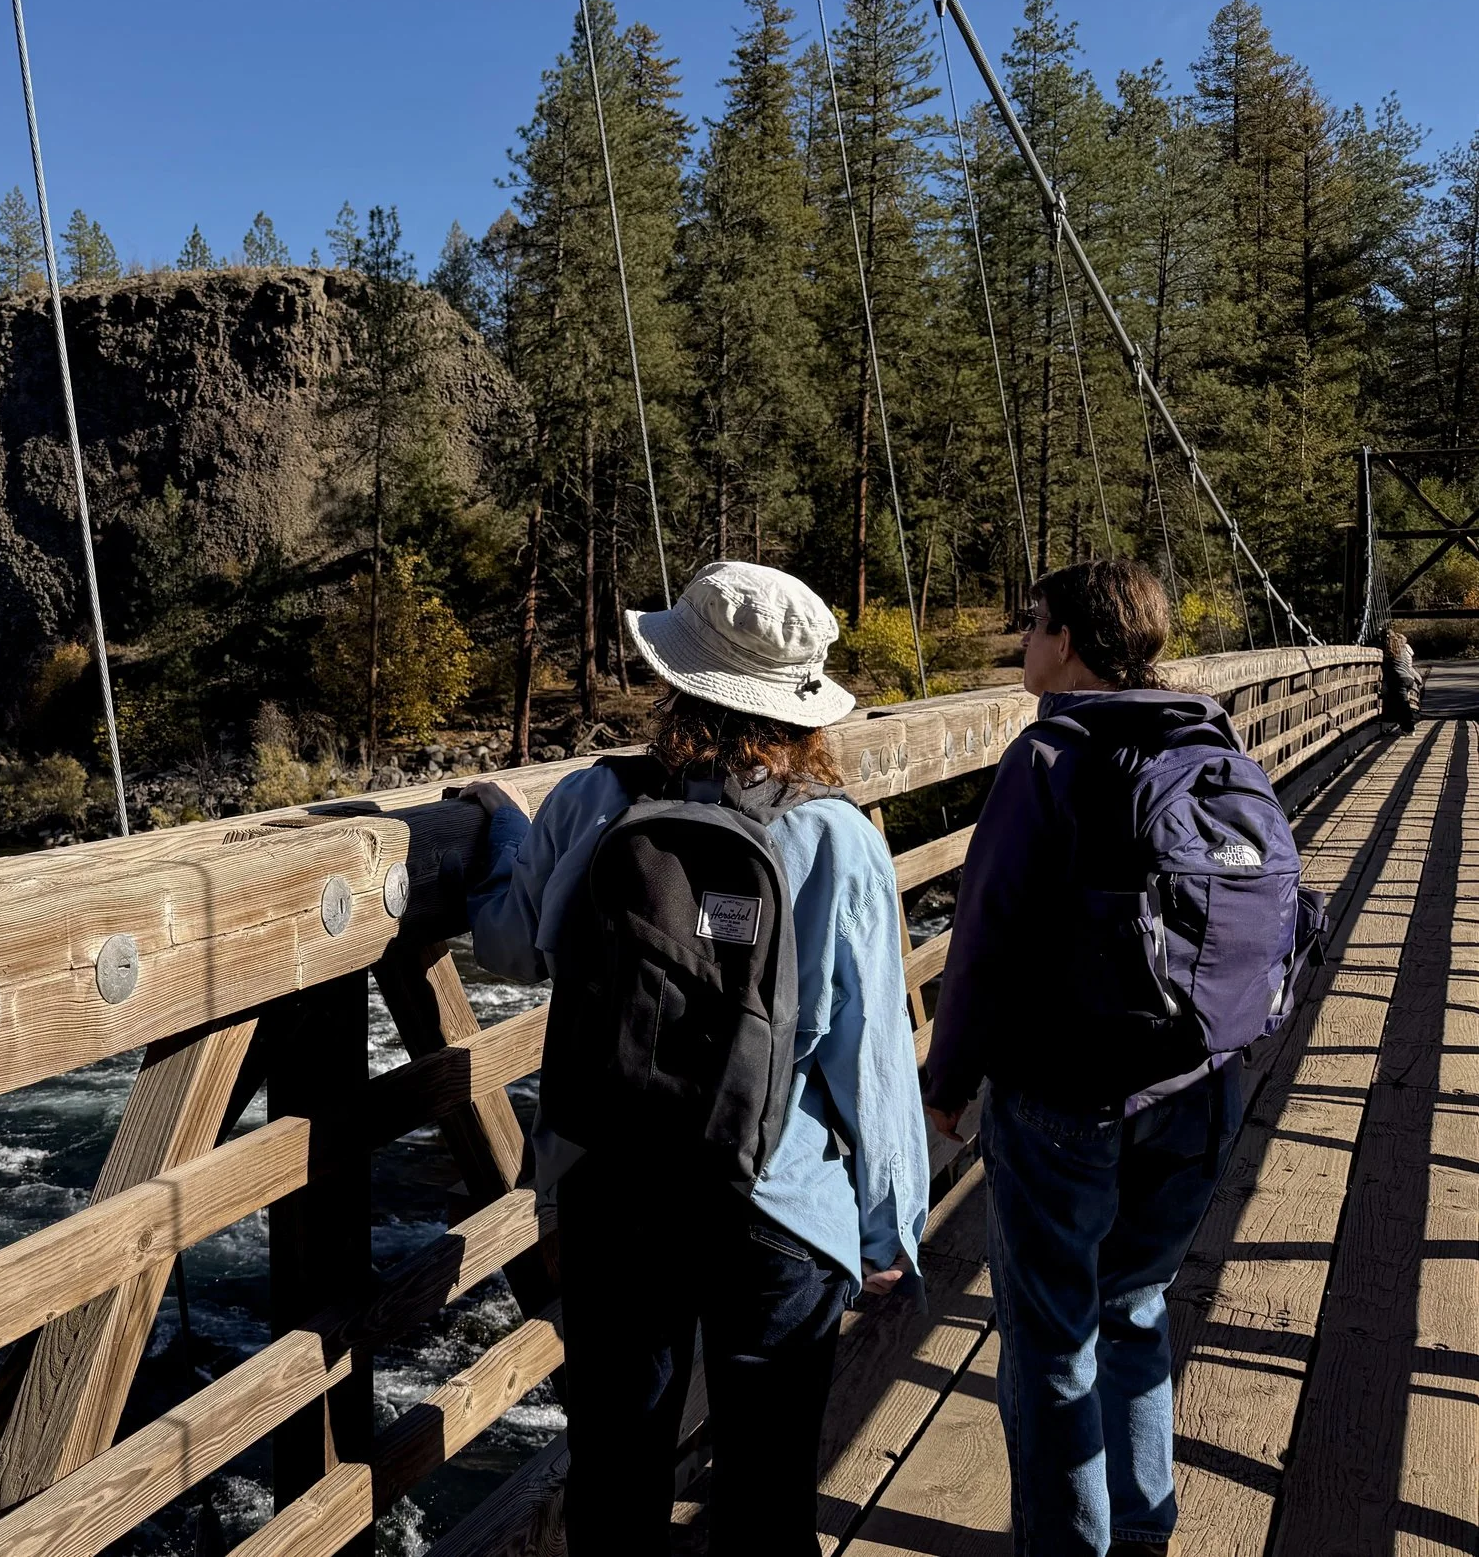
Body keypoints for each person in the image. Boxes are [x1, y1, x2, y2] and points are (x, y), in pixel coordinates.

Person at [463, 560, 929, 1557]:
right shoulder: (836, 836)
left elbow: (503, 947)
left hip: (611, 1185)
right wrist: (891, 1223)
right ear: (800, 704)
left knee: (616, 1483)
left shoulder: (595, 797)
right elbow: (871, 1055)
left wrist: (504, 824)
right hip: (778, 1200)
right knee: (764, 1501)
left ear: (674, 676)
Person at [925, 558, 1310, 1557]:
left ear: (1070, 642)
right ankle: (1138, 1523)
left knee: (1052, 1339)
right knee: (1134, 1306)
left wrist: (947, 1085)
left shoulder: (1048, 757)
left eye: (1033, 624)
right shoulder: (1209, 737)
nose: (1023, 641)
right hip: (1200, 1078)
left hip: (1068, 1094)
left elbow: (984, 936)